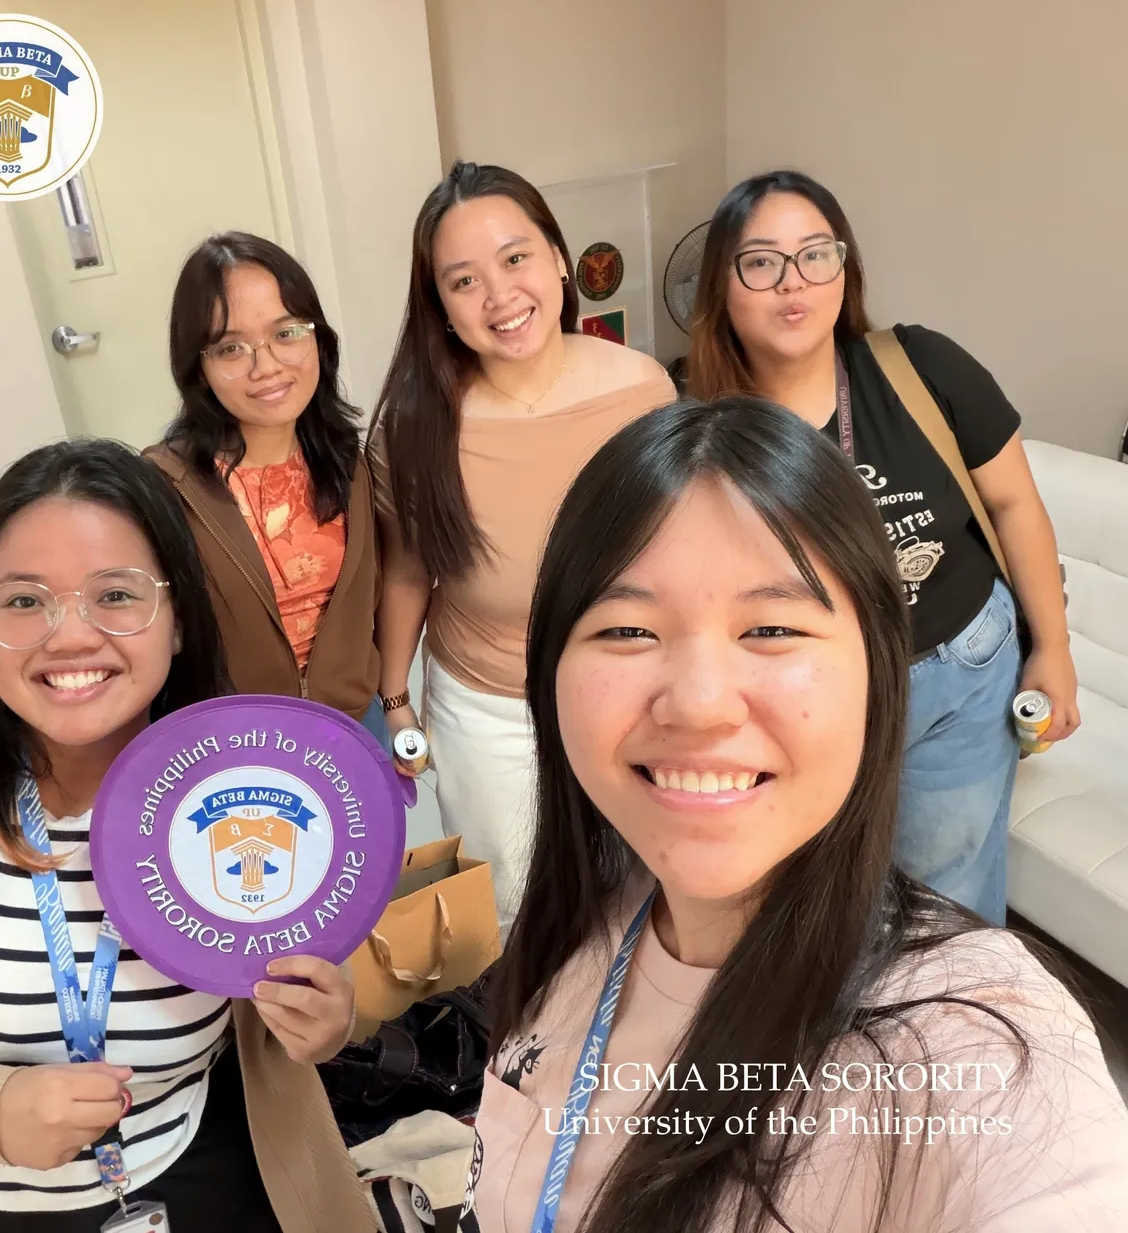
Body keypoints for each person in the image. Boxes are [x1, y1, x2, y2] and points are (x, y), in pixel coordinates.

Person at [460, 399, 1128, 1233]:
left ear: (878, 672)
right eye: (628, 629)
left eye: (772, 627)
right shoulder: (584, 914)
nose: (699, 703)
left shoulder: (981, 1042)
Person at [0, 440, 372, 1233]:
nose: (69, 637)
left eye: (116, 595)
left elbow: (308, 980)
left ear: (179, 619)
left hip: (217, 1180)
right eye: (25, 601)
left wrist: (328, 1020)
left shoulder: (245, 780)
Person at [685, 170, 1077, 926]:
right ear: (721, 287)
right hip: (809, 693)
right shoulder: (706, 431)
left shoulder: (921, 367)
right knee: (816, 905)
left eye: (815, 254)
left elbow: (1014, 504)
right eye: (761, 262)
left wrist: (1053, 651)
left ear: (845, 268)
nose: (793, 281)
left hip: (959, 668)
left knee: (944, 903)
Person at [368, 161, 676, 933]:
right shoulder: (416, 425)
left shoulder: (642, 390)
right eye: (464, 281)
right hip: (489, 707)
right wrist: (396, 702)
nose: (500, 295)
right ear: (440, 305)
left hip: (627, 688)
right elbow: (406, 570)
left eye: (516, 258)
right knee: (516, 908)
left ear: (560, 260)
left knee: (639, 891)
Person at [145, 231, 385, 747]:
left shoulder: (348, 460)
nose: (268, 366)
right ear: (199, 367)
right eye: (231, 348)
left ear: (318, 338)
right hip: (233, 744)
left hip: (353, 726)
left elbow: (380, 602)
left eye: (286, 333)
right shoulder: (165, 485)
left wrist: (394, 702)